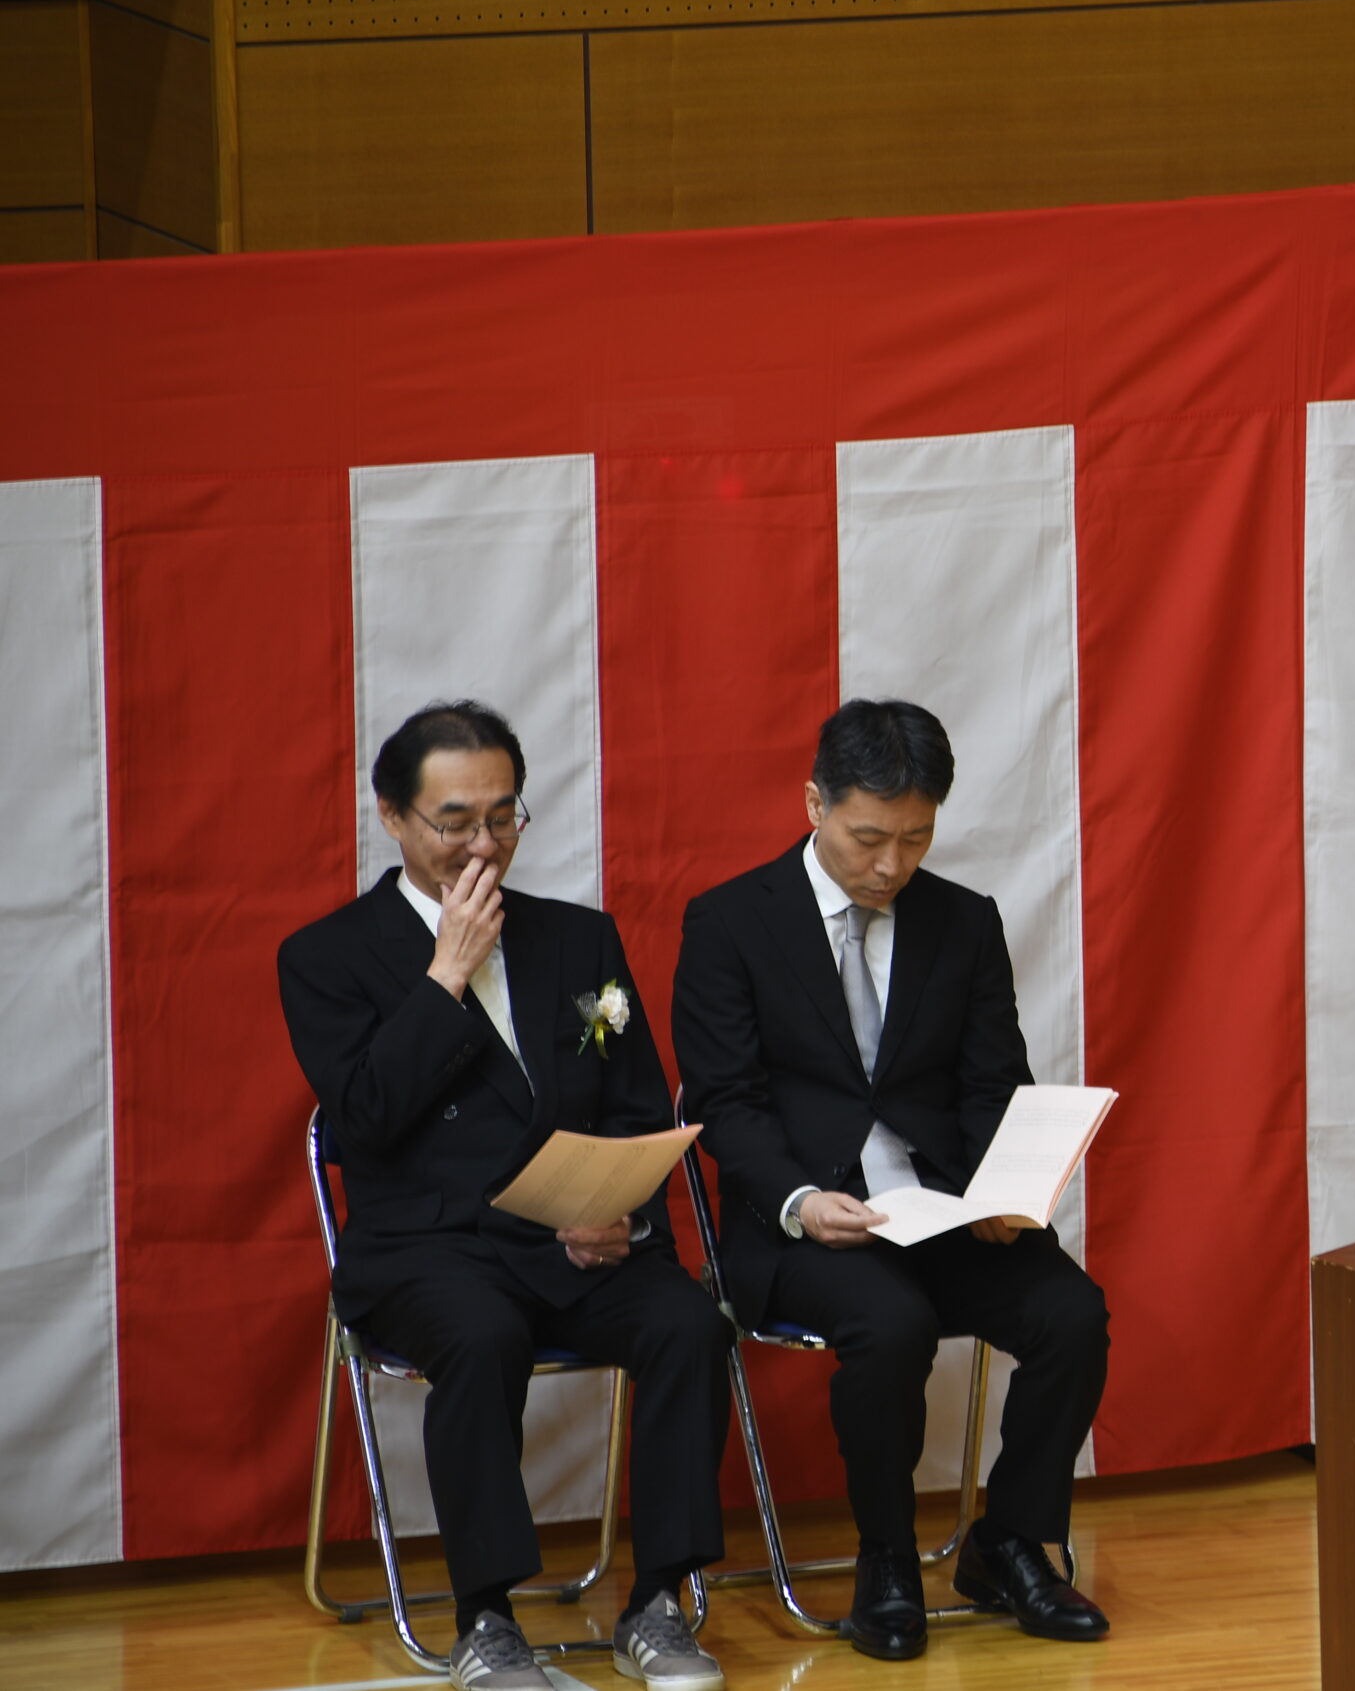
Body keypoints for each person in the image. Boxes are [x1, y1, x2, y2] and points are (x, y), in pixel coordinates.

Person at [278, 702, 730, 1691]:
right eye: (454, 822)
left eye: (502, 816)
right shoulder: (325, 956)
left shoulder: (579, 939)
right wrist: (444, 975)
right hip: (430, 1249)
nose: (482, 845)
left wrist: (621, 1211)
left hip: (576, 1240)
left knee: (689, 1325)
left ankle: (659, 1600)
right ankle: (486, 1617)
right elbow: (366, 1118)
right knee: (482, 1337)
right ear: (392, 816)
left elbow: (634, 1103)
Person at [672, 698, 1110, 1661]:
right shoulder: (732, 922)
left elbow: (994, 1082)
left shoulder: (963, 920)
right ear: (815, 804)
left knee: (1073, 1313)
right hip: (801, 1224)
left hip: (942, 1211)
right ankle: (887, 1558)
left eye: (915, 839)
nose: (891, 865)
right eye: (869, 838)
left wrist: (1001, 1188)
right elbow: (726, 1105)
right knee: (891, 1322)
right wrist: (798, 1200)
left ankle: (1008, 1541)